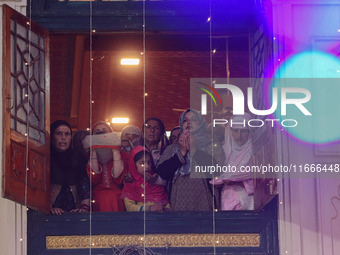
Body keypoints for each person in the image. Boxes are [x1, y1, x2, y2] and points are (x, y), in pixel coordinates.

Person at [156, 109, 224, 211]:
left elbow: (216, 171)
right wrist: (182, 152)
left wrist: (194, 150)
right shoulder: (172, 148)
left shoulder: (212, 146)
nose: (188, 122)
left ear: (201, 123)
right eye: (185, 120)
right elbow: (162, 172)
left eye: (193, 120)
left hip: (204, 202)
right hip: (177, 203)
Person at [210, 113, 254, 210]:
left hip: (250, 200)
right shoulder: (223, 151)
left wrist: (238, 182)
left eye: (243, 131)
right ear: (230, 131)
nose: (239, 135)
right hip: (228, 199)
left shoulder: (255, 152)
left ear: (250, 131)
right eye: (235, 130)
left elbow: (262, 178)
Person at [50, 120, 90, 215]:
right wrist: (48, 207)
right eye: (59, 133)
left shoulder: (78, 158)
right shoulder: (44, 159)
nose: (63, 138)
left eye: (67, 134)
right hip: (48, 213)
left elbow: (84, 184)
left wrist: (83, 208)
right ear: (52, 137)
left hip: (74, 212)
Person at [85, 121, 126, 212]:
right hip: (97, 195)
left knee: (116, 197)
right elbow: (94, 179)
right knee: (101, 198)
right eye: (97, 131)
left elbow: (118, 179)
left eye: (104, 131)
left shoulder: (121, 155)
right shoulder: (88, 156)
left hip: (117, 194)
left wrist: (115, 150)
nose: (101, 133)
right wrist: (94, 150)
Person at [121, 146, 170, 211]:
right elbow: (130, 207)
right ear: (133, 165)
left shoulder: (155, 180)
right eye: (142, 163)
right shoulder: (130, 184)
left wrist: (166, 208)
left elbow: (165, 202)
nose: (147, 166)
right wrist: (148, 208)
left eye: (149, 163)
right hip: (139, 219)